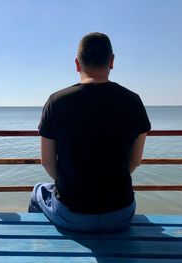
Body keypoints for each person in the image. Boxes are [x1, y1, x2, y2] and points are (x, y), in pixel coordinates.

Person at [28, 32, 151, 232]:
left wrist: (73, 184)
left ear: (77, 64)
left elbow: (47, 162)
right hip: (120, 214)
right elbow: (135, 161)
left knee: (38, 191)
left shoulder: (56, 102)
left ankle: (41, 247)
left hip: (71, 215)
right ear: (111, 61)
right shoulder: (133, 101)